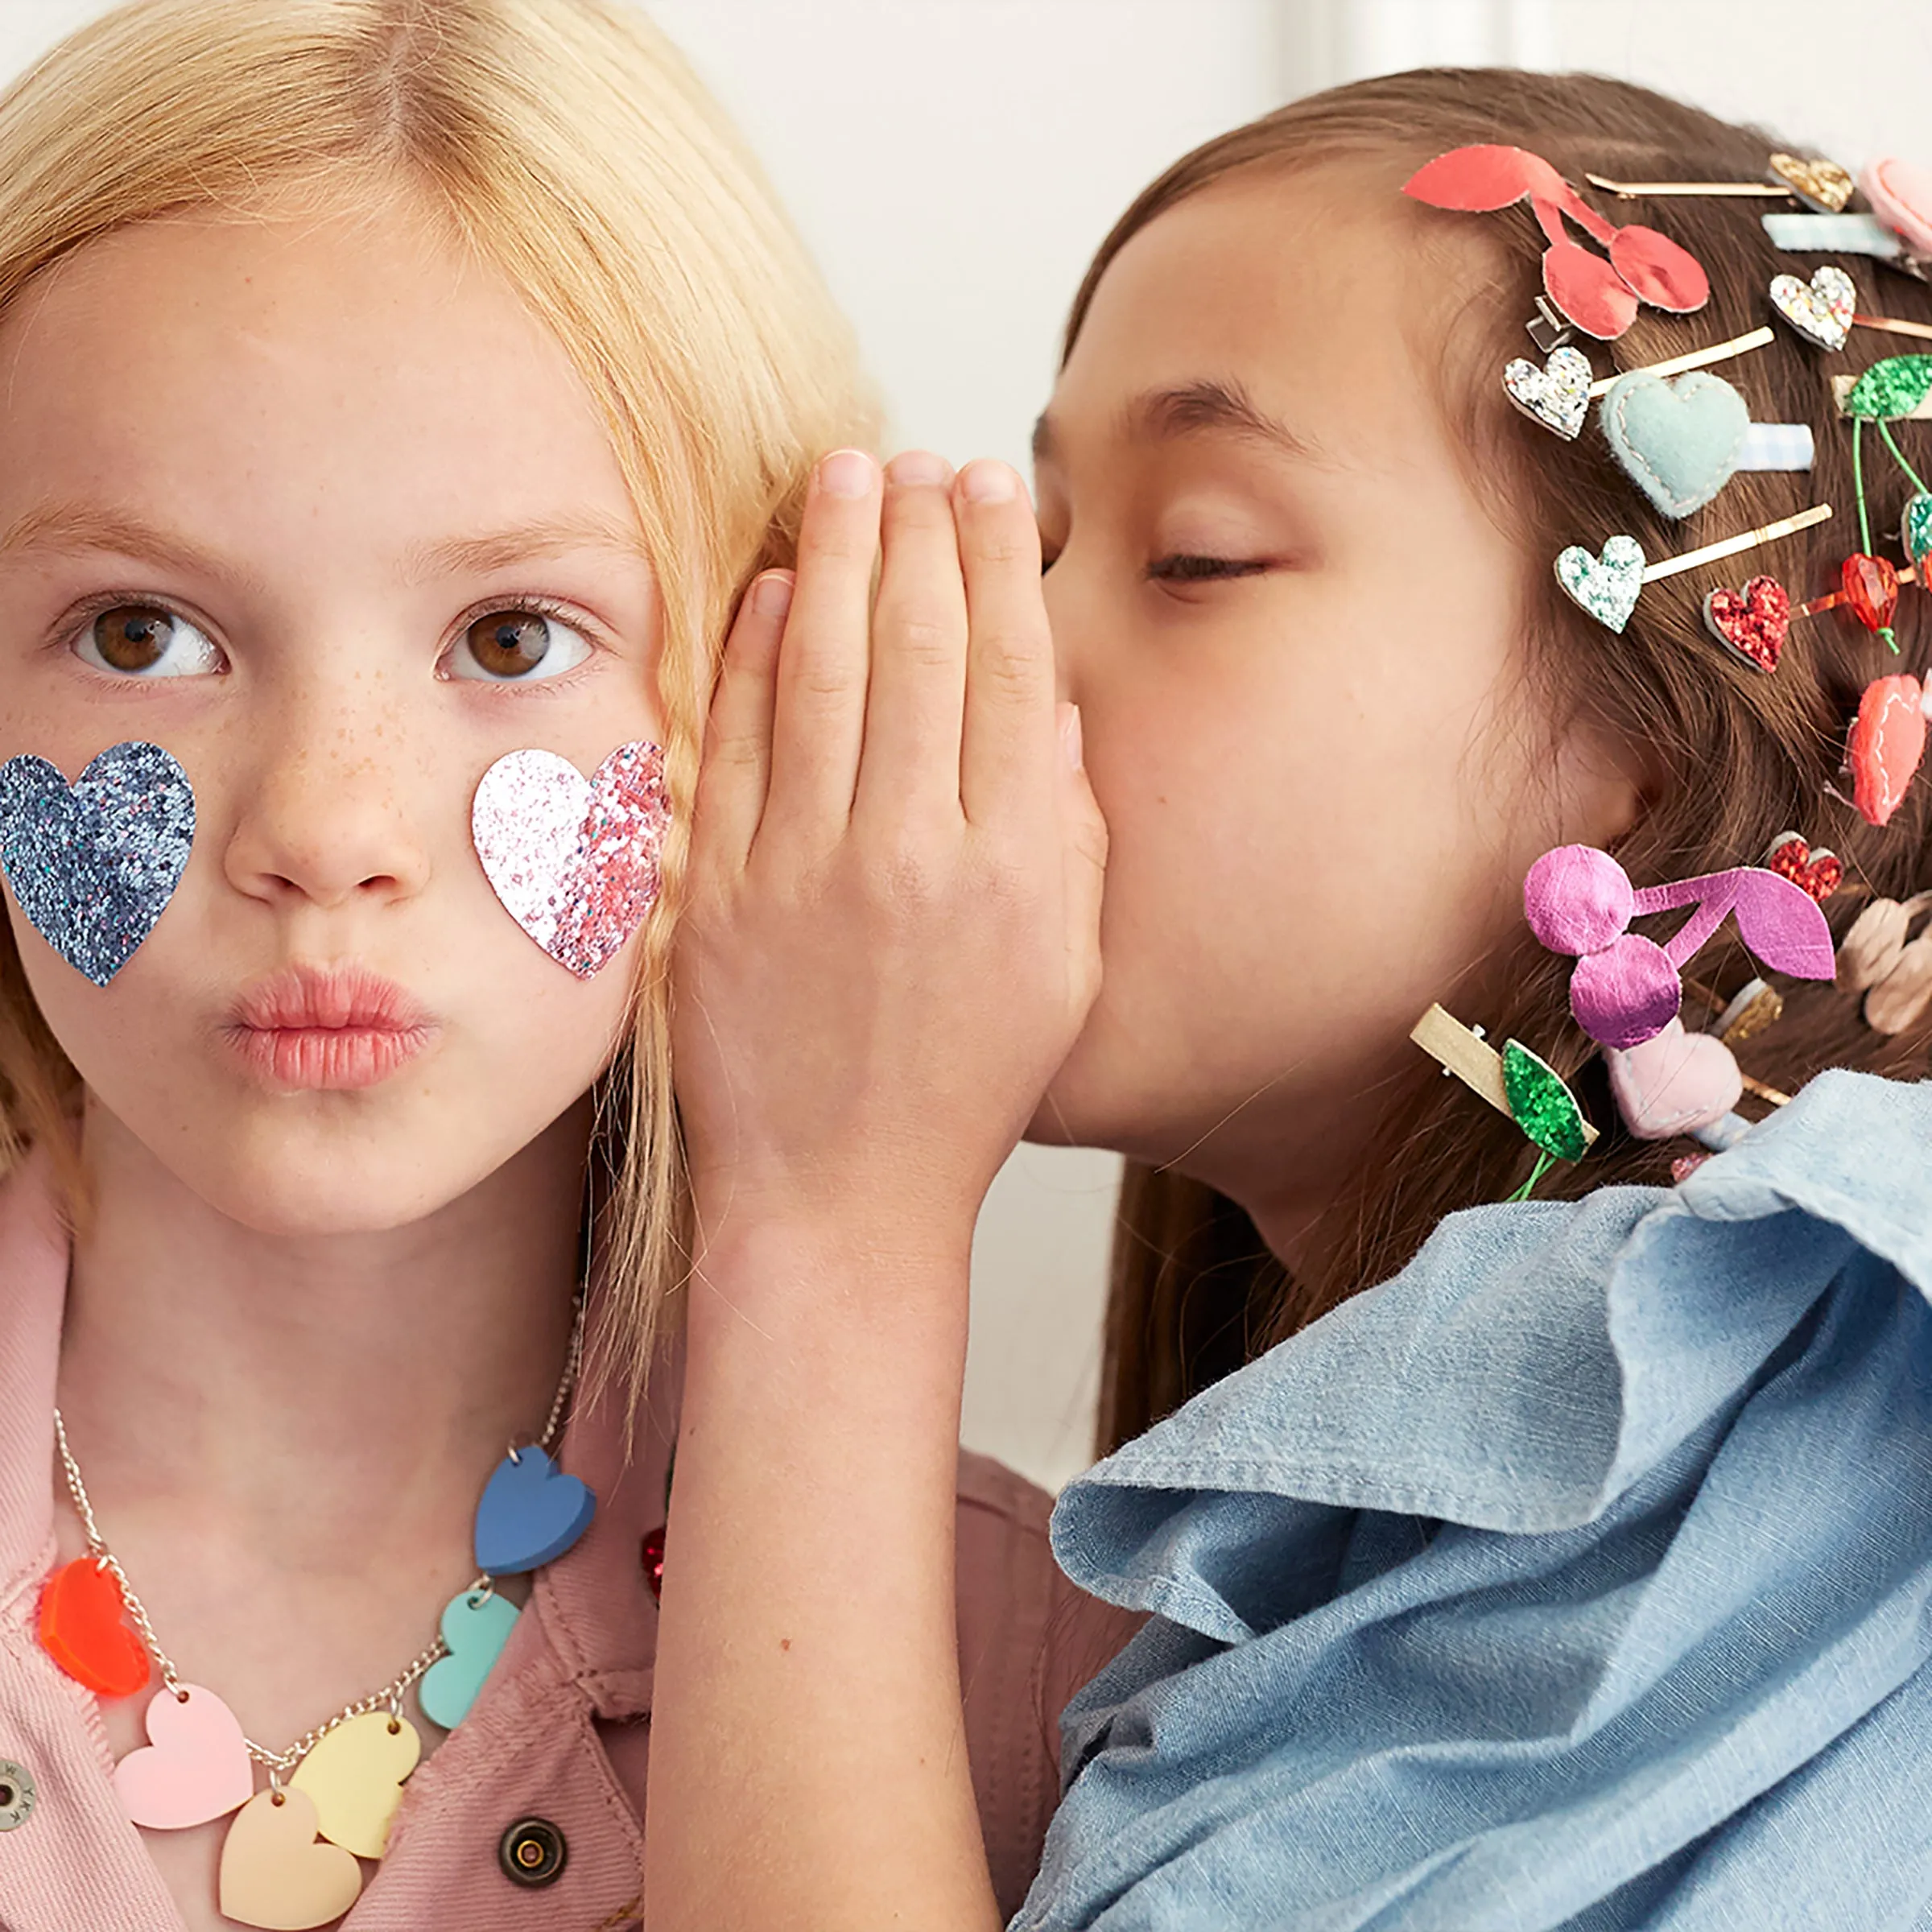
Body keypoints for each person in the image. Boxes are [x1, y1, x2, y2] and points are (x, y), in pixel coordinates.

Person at [645, 68, 1932, 1930]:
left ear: (1656, 751)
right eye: (1055, 543)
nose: (1010, 647)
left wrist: (832, 1220)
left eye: (1196, 558)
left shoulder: (1815, 1487)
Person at [0, 4, 1130, 1928]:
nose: (325, 830)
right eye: (137, 632)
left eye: (513, 640)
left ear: (762, 685)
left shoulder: (1045, 1688)